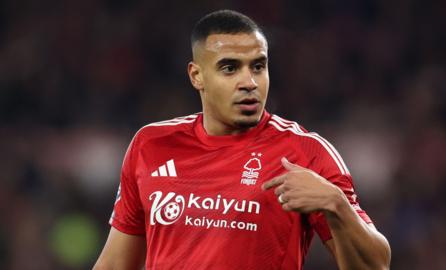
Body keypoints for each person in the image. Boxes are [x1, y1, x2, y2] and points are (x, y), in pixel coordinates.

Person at [93, 9, 391, 270]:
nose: (249, 82)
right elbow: (116, 263)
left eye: (258, 66)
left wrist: (336, 203)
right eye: (230, 68)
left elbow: (376, 265)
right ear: (197, 76)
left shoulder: (304, 153)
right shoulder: (151, 145)